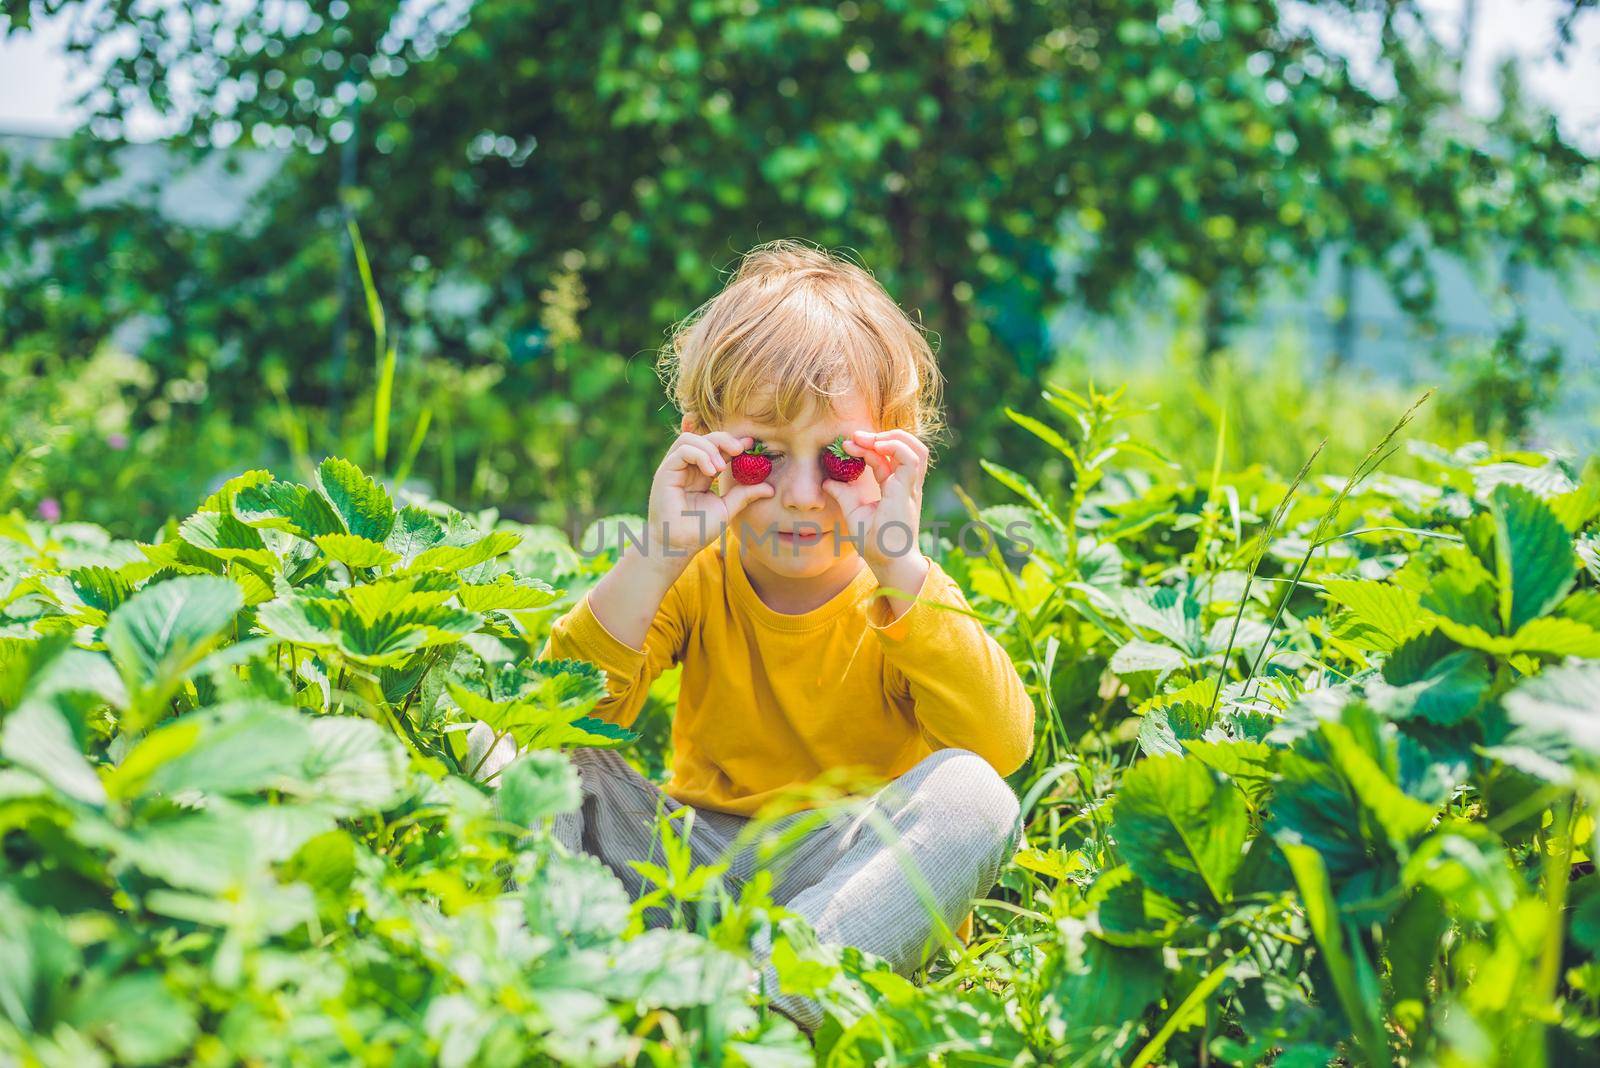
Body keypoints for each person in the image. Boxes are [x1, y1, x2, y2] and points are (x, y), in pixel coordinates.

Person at [471, 239, 1035, 1035]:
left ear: (896, 453)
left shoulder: (901, 589)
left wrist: (902, 566)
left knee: (975, 797)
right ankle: (548, 978)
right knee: (508, 751)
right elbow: (554, 714)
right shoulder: (698, 570)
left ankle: (762, 1009)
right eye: (763, 457)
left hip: (843, 883)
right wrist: (661, 552)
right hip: (683, 867)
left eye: (839, 460)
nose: (801, 496)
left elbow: (1002, 746)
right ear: (704, 444)